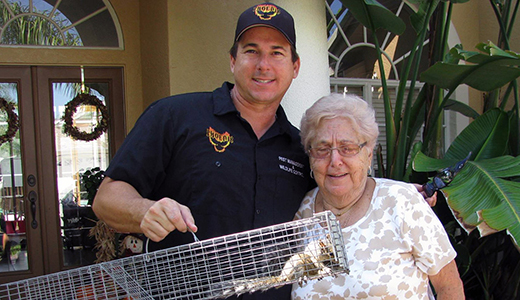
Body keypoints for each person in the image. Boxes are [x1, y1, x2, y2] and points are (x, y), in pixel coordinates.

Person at [93, 3, 436, 299]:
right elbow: (106, 199)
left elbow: (344, 196)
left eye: (277, 53)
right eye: (251, 50)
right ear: (232, 60)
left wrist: (400, 197)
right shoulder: (173, 117)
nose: (264, 65)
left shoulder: (302, 149)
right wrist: (145, 211)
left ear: (295, 67)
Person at [291, 93, 464, 299]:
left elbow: (449, 287)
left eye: (348, 148)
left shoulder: (403, 202)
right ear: (310, 155)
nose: (335, 160)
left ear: (369, 153)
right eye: (322, 149)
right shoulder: (302, 212)